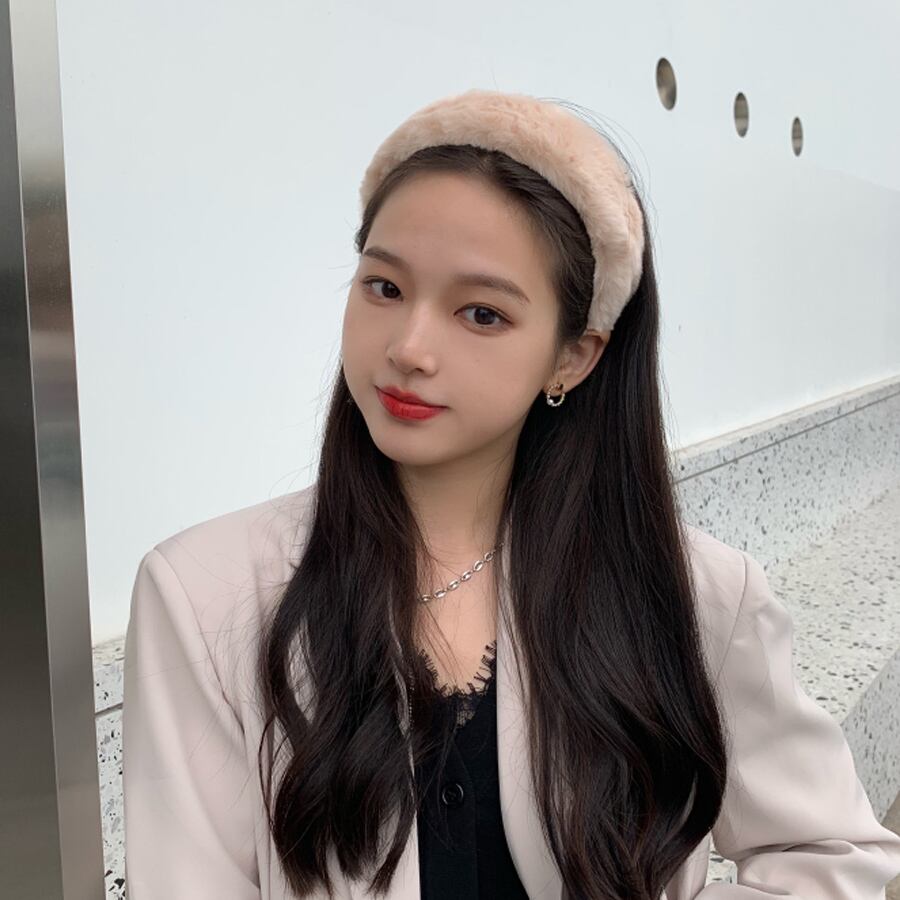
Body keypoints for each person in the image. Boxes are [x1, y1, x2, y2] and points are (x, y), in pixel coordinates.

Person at [121, 88, 900, 899]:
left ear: (574, 357)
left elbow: (832, 851)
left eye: (482, 314)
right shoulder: (206, 595)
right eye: (384, 287)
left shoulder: (691, 593)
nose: (410, 348)